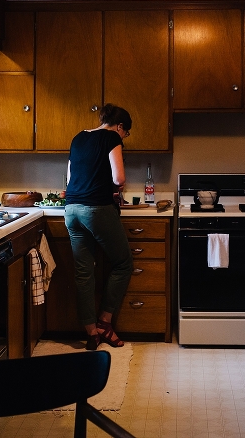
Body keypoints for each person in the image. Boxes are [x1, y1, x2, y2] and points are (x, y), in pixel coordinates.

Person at [64, 103, 134, 351]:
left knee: (84, 273)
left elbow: (70, 178)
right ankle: (104, 322)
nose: (124, 137)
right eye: (126, 133)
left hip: (71, 210)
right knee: (123, 263)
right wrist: (117, 187)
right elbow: (119, 178)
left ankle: (91, 332)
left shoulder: (78, 138)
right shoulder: (112, 137)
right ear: (120, 126)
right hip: (96, 210)